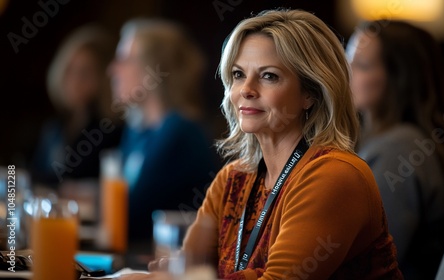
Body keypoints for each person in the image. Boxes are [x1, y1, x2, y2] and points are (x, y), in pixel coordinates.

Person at [121, 8, 403, 280]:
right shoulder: (233, 180)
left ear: (311, 93)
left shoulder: (335, 175)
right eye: (238, 74)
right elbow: (186, 268)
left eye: (269, 76)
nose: (246, 89)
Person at [345, 20, 444, 279]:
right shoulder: (395, 141)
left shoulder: (400, 149)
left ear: (398, 78)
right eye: (346, 59)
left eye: (361, 65)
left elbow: (368, 266)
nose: (346, 72)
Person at [107, 18, 222, 248]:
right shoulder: (138, 131)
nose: (112, 70)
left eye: (124, 59)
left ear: (152, 70)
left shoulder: (180, 132)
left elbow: (131, 218)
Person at [29, 23, 123, 190]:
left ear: (104, 77)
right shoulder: (54, 128)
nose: (74, 81)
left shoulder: (111, 133)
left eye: (85, 73)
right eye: (70, 69)